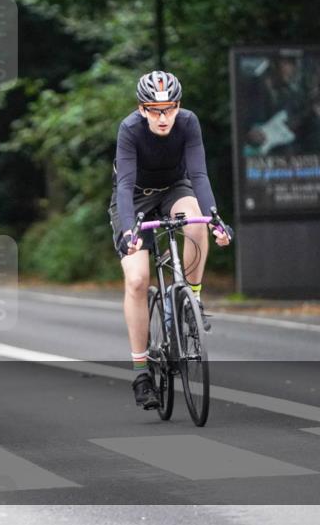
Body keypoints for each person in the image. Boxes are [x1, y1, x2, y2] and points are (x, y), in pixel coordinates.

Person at [108, 71, 232, 410]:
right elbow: (123, 186)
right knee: (137, 280)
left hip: (175, 190)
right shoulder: (130, 129)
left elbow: (199, 174)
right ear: (142, 109)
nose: (163, 117)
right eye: (154, 109)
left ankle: (192, 299)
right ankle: (140, 373)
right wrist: (131, 230)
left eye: (170, 108)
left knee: (196, 220)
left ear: (178, 106)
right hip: (135, 197)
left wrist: (215, 218)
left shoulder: (188, 123)